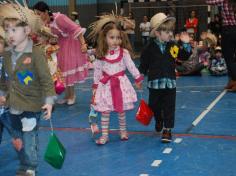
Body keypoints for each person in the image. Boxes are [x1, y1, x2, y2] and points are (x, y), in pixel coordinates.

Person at [0, 2, 56, 176]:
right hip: (11, 107)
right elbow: (4, 80)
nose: (10, 35)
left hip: (30, 105)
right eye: (7, 31)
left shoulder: (35, 54)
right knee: (18, 138)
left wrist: (48, 102)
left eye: (14, 31)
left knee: (29, 136)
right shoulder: (7, 57)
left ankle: (30, 167)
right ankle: (25, 164)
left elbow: (46, 81)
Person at [88, 14, 143, 145]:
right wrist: (95, 87)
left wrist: (137, 78)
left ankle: (123, 131)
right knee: (105, 112)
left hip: (120, 85)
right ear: (105, 37)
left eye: (118, 38)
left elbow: (131, 66)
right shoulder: (101, 54)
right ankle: (105, 135)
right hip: (106, 86)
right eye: (112, 37)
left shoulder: (124, 53)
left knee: (121, 110)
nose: (115, 41)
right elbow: (97, 71)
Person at [139, 13, 191, 143]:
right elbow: (144, 64)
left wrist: (185, 44)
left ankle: (167, 129)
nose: (170, 34)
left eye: (171, 31)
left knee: (169, 107)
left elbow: (184, 56)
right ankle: (159, 119)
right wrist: (139, 77)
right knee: (154, 106)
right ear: (157, 33)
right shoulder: (149, 48)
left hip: (170, 83)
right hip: (154, 84)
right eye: (166, 31)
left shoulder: (173, 45)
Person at [33, 1, 88, 105]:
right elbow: (48, 37)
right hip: (60, 47)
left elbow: (76, 28)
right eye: (36, 14)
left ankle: (72, 95)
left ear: (45, 12)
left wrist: (83, 44)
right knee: (62, 72)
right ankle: (67, 96)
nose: (37, 16)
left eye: (39, 13)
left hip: (71, 44)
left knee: (68, 69)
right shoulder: (45, 23)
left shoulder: (59, 18)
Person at [206, 0, 236, 91]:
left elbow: (208, 1)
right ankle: (232, 81)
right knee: (231, 58)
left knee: (228, 57)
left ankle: (235, 80)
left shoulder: (224, 1)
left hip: (228, 31)